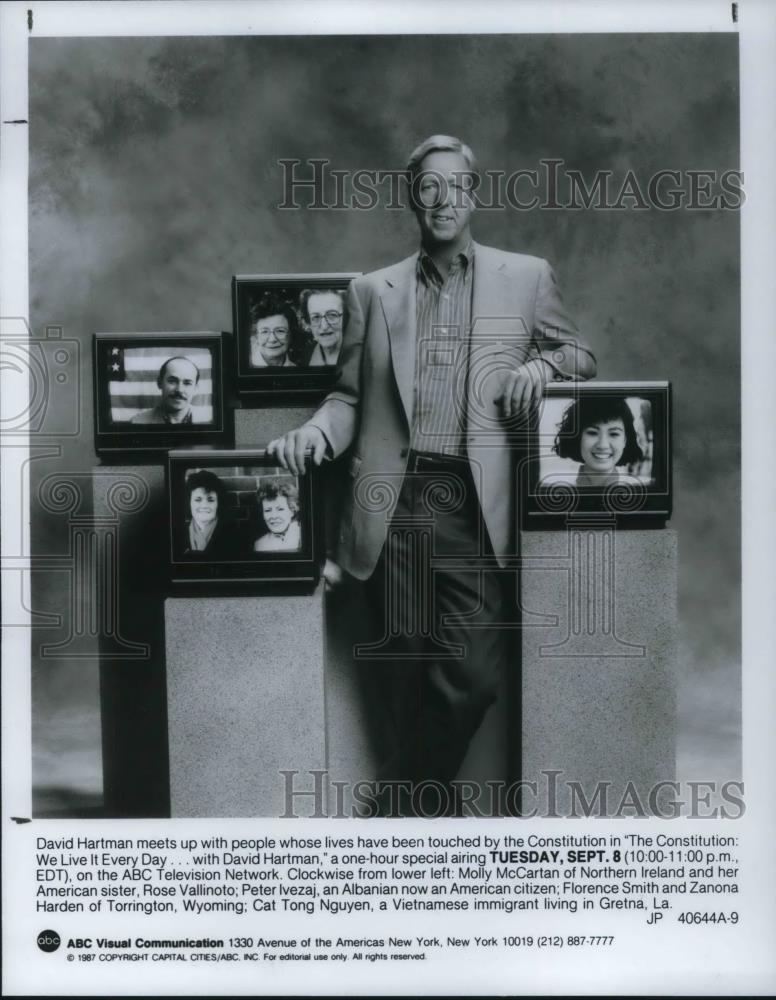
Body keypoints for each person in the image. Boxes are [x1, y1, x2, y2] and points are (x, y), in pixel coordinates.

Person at [267, 134, 597, 816]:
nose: (442, 199)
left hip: (476, 501)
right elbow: (349, 399)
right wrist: (313, 432)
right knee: (406, 668)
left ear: (474, 193)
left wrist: (543, 366)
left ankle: (391, 805)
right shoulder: (371, 291)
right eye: (427, 186)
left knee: (473, 672)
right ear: (411, 196)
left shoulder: (526, 276)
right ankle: (422, 816)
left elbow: (582, 354)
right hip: (394, 498)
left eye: (455, 185)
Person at [552, 396, 644, 489]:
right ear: (577, 438)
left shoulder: (640, 489)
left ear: (625, 440)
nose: (603, 445)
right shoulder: (556, 489)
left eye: (614, 434)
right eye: (592, 433)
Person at [130, 356, 206, 424]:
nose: (179, 389)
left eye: (187, 383)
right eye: (172, 381)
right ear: (159, 383)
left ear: (196, 388)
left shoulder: (209, 419)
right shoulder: (138, 422)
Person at [180, 470, 238, 558]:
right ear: (189, 502)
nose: (204, 506)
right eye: (198, 500)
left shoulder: (234, 535)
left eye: (210, 500)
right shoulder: (178, 535)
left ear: (218, 503)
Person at [248, 292, 298, 368]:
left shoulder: (296, 369)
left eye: (280, 331)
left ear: (290, 335)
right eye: (264, 331)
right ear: (256, 336)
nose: (272, 339)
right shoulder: (246, 366)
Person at [299, 288, 346, 366]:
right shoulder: (305, 357)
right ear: (309, 322)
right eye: (316, 317)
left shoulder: (363, 355)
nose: (324, 326)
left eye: (332, 315)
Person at [254, 481, 302, 552]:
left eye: (280, 509)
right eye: (267, 510)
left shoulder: (305, 537)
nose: (273, 516)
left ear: (292, 511)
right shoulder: (260, 545)